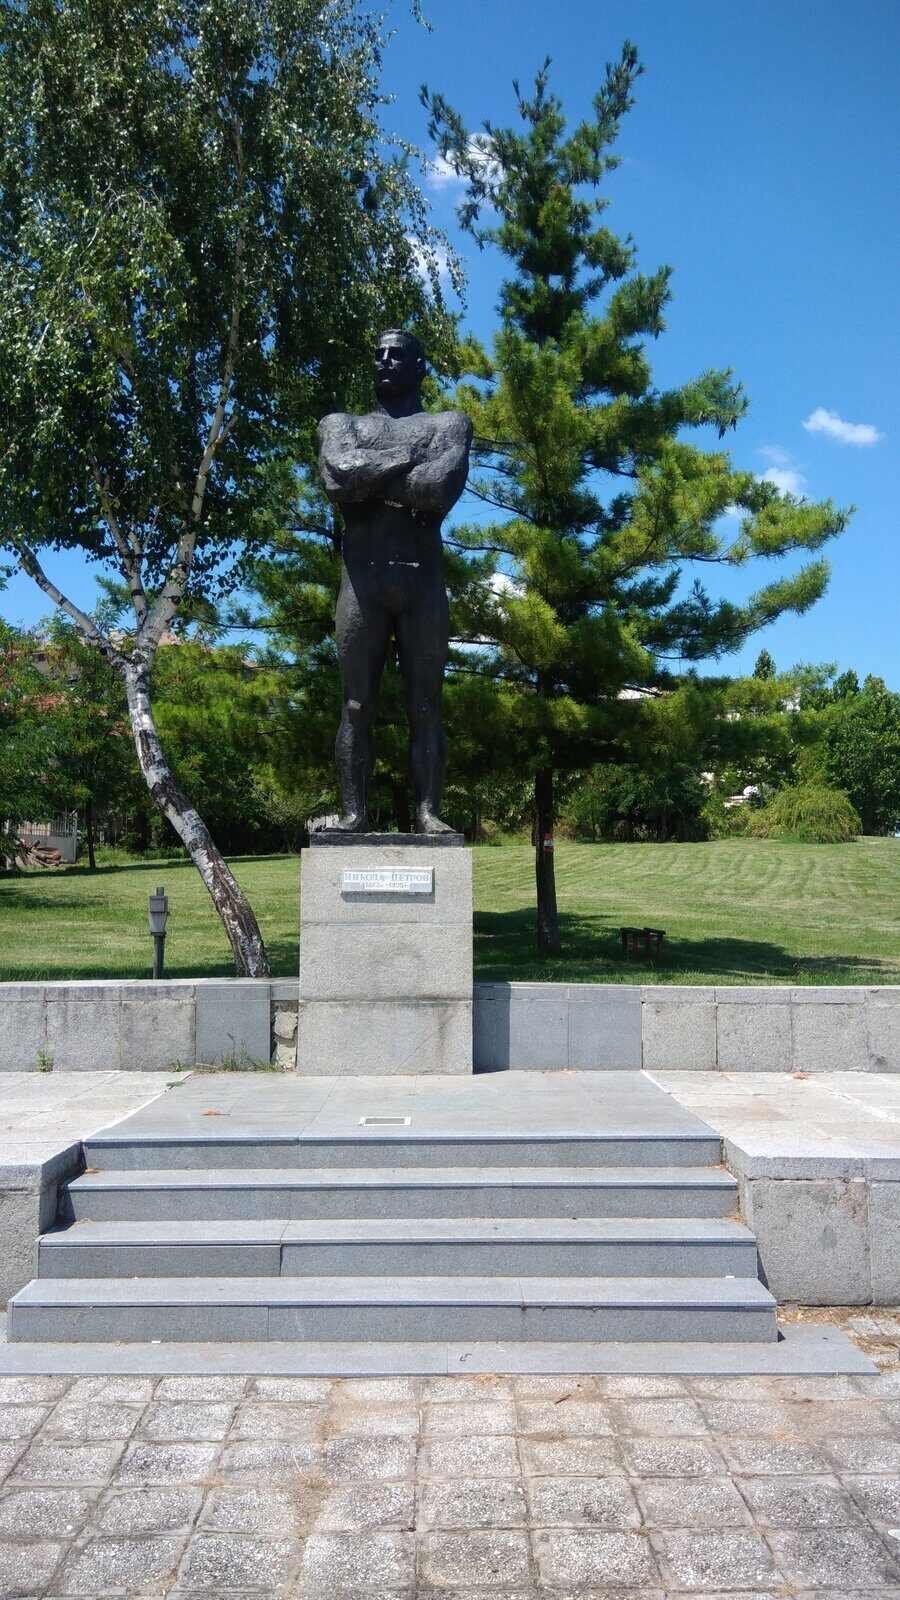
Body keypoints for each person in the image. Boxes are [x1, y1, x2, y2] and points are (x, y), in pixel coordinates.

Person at [316, 329, 472, 833]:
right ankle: (353, 813)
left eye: (397, 355)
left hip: (421, 585)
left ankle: (428, 813)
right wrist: (408, 460)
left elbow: (438, 488)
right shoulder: (341, 424)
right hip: (362, 585)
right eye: (378, 354)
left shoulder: (449, 424)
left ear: (420, 366)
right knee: (355, 705)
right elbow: (337, 477)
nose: (384, 361)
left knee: (425, 707)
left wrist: (369, 480)